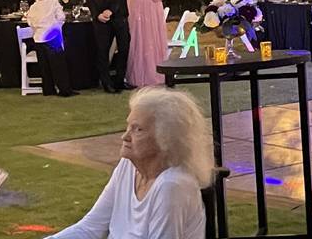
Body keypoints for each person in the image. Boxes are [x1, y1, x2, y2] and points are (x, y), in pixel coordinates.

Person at [49, 87, 214, 239]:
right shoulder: (128, 166)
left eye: (138, 129)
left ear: (166, 139)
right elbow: (90, 227)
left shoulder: (172, 185)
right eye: (128, 126)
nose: (125, 137)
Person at [76, 0, 131, 93]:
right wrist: (97, 14)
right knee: (102, 50)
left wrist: (112, 9)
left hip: (118, 14)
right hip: (100, 18)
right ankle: (106, 82)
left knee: (124, 47)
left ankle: (120, 80)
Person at [26, 0, 76, 97]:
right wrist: (58, 26)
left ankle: (48, 89)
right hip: (53, 37)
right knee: (59, 65)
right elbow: (61, 16)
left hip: (38, 40)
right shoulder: (53, 2)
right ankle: (64, 89)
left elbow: (30, 23)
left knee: (44, 66)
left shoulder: (33, 7)